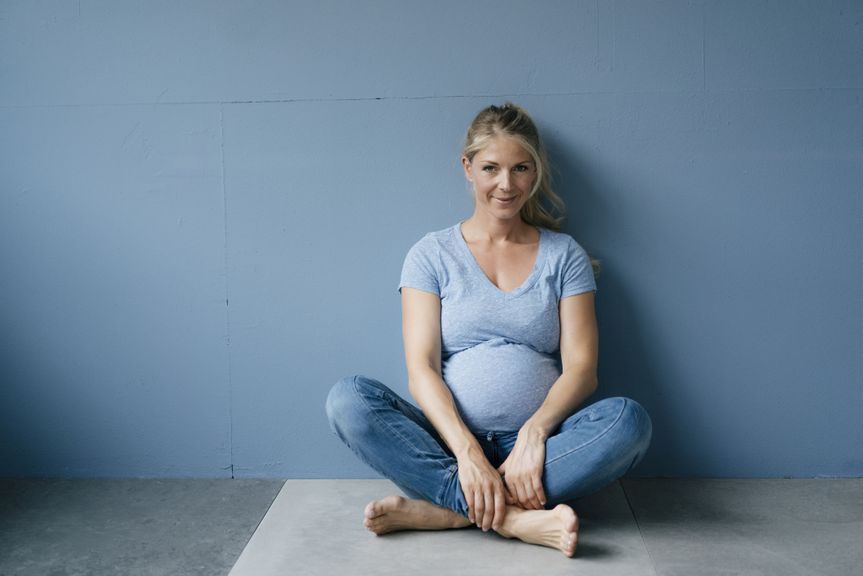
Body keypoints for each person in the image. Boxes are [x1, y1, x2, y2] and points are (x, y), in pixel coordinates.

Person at [326, 103, 652, 557]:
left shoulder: (564, 256)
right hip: (449, 441)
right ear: (467, 168)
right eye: (491, 168)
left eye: (521, 168)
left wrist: (535, 435)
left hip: (540, 449)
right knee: (348, 399)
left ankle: (446, 511)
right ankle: (514, 518)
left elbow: (582, 369)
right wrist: (467, 454)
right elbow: (421, 369)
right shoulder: (431, 254)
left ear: (535, 170)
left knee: (629, 422)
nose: (507, 184)